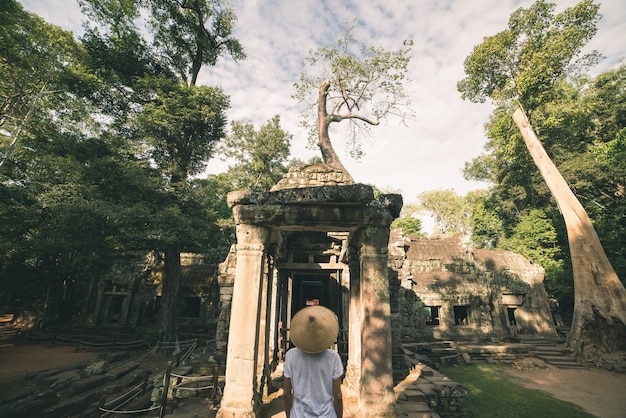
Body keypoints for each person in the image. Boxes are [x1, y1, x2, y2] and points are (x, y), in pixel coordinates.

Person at [283, 305, 344, 418]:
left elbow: (286, 393)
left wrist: (288, 414)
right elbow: (338, 395)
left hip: (298, 414)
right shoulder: (333, 358)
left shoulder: (291, 355)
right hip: (326, 414)